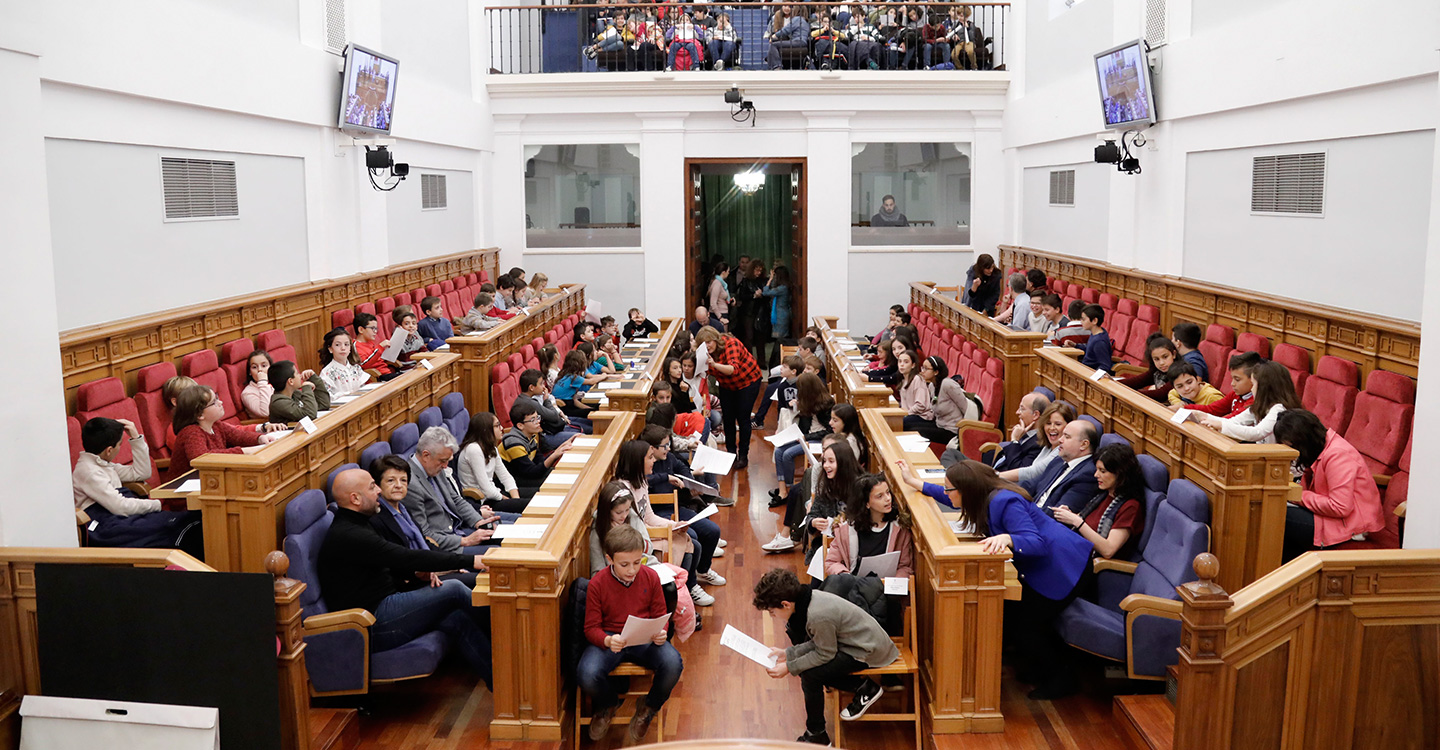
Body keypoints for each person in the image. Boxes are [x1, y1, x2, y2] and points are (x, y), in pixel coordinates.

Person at [903, 460, 1092, 699]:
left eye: (950, 489)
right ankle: (1040, 669)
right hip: (1045, 566)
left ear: (966, 489)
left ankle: (1061, 678)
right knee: (1015, 618)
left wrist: (1007, 538)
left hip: (1065, 567)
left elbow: (1036, 543)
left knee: (1026, 625)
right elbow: (947, 494)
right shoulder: (979, 495)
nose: (947, 493)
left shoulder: (1005, 501)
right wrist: (915, 482)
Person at [318, 468, 492, 687]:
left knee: (456, 618)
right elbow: (405, 557)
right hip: (371, 623)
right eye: (373, 486)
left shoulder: (360, 522)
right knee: (454, 589)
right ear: (355, 498)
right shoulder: (350, 534)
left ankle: (504, 687)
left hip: (386, 605)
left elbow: (387, 564)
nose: (379, 491)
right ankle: (509, 634)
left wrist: (416, 573)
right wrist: (470, 561)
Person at [752, 567, 899, 745]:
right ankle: (863, 689)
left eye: (771, 612)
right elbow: (820, 643)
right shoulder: (809, 600)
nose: (772, 615)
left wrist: (789, 667)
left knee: (810, 673)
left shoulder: (817, 616)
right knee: (809, 670)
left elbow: (824, 653)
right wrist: (788, 653)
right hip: (854, 645)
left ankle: (818, 732)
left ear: (785, 604)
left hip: (868, 651)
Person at [580, 524, 684, 744]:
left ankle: (648, 707)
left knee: (674, 663)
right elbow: (590, 628)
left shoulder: (650, 577)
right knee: (586, 674)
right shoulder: (597, 583)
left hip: (643, 636)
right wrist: (607, 640)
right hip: (611, 637)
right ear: (610, 560)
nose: (632, 570)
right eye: (624, 564)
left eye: (637, 563)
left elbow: (659, 615)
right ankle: (608, 705)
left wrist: (661, 633)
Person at [73, 417, 203, 557]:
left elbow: (141, 472)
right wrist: (156, 504)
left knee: (192, 518)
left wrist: (136, 438)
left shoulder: (103, 464)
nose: (119, 448)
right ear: (109, 451)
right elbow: (120, 506)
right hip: (107, 524)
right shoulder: (89, 471)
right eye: (120, 445)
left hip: (121, 514)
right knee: (175, 528)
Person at [1274, 409, 1386, 562]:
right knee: (1275, 509)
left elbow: (1340, 507)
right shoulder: (1320, 445)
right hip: (1327, 516)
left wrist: (1298, 496)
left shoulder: (1338, 455)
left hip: (1350, 527)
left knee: (1277, 514)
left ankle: (1276, 574)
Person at [640, 425, 725, 598]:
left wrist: (689, 482)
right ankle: (691, 584)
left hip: (676, 507)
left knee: (712, 531)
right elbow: (644, 479)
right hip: (657, 514)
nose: (668, 448)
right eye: (664, 446)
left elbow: (683, 468)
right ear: (652, 448)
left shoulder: (668, 457)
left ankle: (703, 570)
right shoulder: (644, 463)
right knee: (692, 537)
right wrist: (667, 477)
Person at [368, 455, 478, 589]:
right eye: (391, 481)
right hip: (412, 581)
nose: (398, 485)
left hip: (429, 569)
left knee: (482, 573)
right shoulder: (377, 518)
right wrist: (438, 569)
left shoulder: (404, 509)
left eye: (403, 480)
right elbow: (397, 563)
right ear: (378, 485)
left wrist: (450, 564)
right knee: (476, 582)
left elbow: (426, 543)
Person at [402, 427, 497, 554]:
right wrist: (466, 541)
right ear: (426, 455)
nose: (446, 466)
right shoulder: (410, 484)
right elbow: (424, 535)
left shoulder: (435, 467)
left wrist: (478, 521)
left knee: (507, 536)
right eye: (443, 461)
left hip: (458, 529)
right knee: (498, 553)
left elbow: (455, 499)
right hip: (445, 547)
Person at [1051, 443, 1148, 560]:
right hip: (1075, 550)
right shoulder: (1103, 494)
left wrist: (1077, 522)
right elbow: (1089, 523)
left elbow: (1108, 550)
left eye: (1102, 471)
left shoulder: (1131, 507)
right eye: (1097, 469)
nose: (1096, 475)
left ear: (1120, 474)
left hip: (1089, 564)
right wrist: (1070, 515)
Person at [167, 385, 284, 480]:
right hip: (185, 499)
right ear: (199, 415)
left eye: (217, 398)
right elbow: (201, 458)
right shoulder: (191, 432)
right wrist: (245, 451)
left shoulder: (216, 424)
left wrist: (259, 439)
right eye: (214, 402)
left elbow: (238, 436)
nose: (221, 402)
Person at [767, 439, 860, 554]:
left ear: (843, 463)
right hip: (830, 543)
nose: (825, 466)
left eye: (831, 461)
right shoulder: (826, 485)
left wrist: (848, 522)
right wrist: (813, 522)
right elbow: (812, 514)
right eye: (824, 461)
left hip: (855, 543)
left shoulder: (860, 487)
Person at [696, 325, 763, 469]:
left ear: (715, 339)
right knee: (728, 418)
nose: (707, 346)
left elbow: (733, 369)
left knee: (743, 417)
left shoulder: (731, 344)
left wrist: (714, 364)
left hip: (747, 381)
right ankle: (731, 453)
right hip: (727, 385)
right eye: (704, 344)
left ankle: (744, 455)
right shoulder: (703, 353)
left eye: (709, 342)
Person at [825, 473, 914, 579]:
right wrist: (846, 576)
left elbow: (905, 567)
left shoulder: (899, 529)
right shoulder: (847, 529)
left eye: (888, 493)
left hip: (884, 587)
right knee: (834, 583)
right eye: (880, 496)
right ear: (866, 503)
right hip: (854, 584)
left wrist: (893, 584)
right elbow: (832, 562)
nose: (888, 499)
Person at [1197, 360, 1300, 444]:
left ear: (1264, 388)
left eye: (1254, 385)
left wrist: (1220, 425)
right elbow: (1234, 421)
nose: (1252, 389)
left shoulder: (1278, 409)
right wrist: (1203, 416)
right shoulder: (1259, 406)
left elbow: (1257, 433)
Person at [773, 373, 834, 508]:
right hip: (804, 436)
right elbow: (803, 423)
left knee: (788, 454)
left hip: (818, 440)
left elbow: (830, 431)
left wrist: (806, 437)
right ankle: (783, 490)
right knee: (778, 451)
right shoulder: (806, 401)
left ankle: (790, 489)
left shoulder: (826, 404)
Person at [1019, 419, 1100, 513]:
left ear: (1084, 444)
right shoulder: (1059, 460)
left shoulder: (1087, 475)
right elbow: (1030, 485)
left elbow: (1057, 514)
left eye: (1067, 437)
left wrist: (1022, 510)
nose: (1060, 440)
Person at [502, 399, 576, 494]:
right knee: (559, 484)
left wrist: (561, 447)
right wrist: (554, 455)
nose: (538, 422)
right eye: (533, 420)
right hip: (516, 482)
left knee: (566, 475)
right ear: (520, 426)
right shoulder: (514, 443)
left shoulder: (531, 435)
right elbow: (532, 472)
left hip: (529, 475)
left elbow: (540, 462)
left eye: (538, 418)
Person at [458, 412, 524, 511]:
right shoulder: (473, 449)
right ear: (485, 430)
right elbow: (486, 489)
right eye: (497, 426)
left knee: (536, 494)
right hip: (483, 501)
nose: (501, 428)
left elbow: (505, 476)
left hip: (495, 493)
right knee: (530, 504)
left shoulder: (491, 447)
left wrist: (516, 499)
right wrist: (505, 499)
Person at [998, 401, 1077, 484]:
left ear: (1068, 426)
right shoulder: (1047, 446)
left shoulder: (1061, 451)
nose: (1052, 428)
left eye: (1058, 424)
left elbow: (1032, 472)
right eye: (1048, 423)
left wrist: (995, 476)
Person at [588, 480, 653, 575]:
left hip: (642, 569)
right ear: (607, 511)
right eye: (618, 512)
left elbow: (649, 549)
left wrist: (630, 535)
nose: (624, 515)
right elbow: (597, 571)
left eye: (627, 510)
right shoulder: (597, 533)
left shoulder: (633, 517)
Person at [1182, 351, 1263, 418]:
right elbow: (1212, 409)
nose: (1232, 384)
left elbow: (1233, 421)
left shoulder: (1256, 402)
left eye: (1237, 380)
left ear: (1253, 379)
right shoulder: (1235, 394)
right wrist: (1183, 408)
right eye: (1232, 379)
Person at [519, 368, 582, 451]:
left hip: (548, 431)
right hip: (543, 438)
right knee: (580, 438)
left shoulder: (524, 399)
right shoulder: (530, 403)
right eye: (541, 384)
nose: (543, 387)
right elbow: (554, 416)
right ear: (531, 387)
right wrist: (546, 400)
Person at [986, 391, 1051, 471]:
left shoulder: (1039, 443)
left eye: (1022, 409)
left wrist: (1015, 440)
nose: (1017, 412)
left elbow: (1018, 470)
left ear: (1035, 415)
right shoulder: (1025, 433)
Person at [1116, 334, 1178, 403]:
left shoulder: (1179, 372)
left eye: (1165, 357)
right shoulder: (1156, 371)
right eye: (1156, 359)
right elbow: (1137, 381)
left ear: (1174, 354)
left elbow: (1161, 394)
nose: (1161, 363)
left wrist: (1131, 394)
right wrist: (1113, 383)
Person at [267, 360, 332, 422]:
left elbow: (323, 404)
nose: (300, 375)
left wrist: (313, 378)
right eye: (297, 373)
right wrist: (307, 388)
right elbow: (310, 414)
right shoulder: (279, 403)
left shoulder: (295, 394)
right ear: (291, 381)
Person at [319, 327, 372, 398]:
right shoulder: (327, 372)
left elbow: (363, 387)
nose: (343, 348)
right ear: (330, 349)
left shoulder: (356, 367)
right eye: (338, 345)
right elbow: (329, 398)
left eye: (346, 344)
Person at [757, 265, 793, 368]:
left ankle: (777, 360)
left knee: (780, 339)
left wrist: (770, 279)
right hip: (779, 314)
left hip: (781, 316)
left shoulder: (783, 288)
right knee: (779, 339)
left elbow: (766, 292)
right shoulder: (783, 286)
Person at [753, 354, 802, 429]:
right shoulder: (781, 386)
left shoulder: (802, 385)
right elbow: (781, 406)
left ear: (793, 371)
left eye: (784, 367)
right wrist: (780, 422)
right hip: (787, 415)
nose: (781, 369)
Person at [897, 351, 936, 435]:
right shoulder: (903, 380)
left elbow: (920, 405)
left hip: (922, 416)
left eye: (906, 362)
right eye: (900, 361)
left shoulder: (917, 379)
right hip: (910, 414)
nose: (902, 364)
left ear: (913, 365)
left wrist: (906, 414)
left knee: (899, 424)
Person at [353, 312, 400, 380]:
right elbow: (364, 365)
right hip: (378, 377)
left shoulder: (370, 342)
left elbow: (378, 359)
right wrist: (380, 347)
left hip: (387, 373)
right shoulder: (356, 346)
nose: (375, 331)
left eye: (376, 328)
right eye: (372, 328)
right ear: (361, 330)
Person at [765, 4, 811, 69]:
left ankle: (777, 66)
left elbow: (786, 30)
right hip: (803, 43)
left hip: (797, 41)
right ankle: (771, 59)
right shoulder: (805, 21)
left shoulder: (797, 19)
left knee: (773, 45)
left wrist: (774, 36)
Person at [1073, 304, 1113, 373]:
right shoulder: (1095, 334)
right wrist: (1075, 345)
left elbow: (1105, 365)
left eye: (1083, 319)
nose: (1081, 322)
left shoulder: (1099, 341)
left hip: (1088, 373)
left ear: (1094, 321)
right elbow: (1090, 350)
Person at [239, 350, 275, 419]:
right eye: (254, 367)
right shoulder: (247, 393)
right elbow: (266, 412)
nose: (260, 370)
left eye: (264, 366)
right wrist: (262, 382)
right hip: (268, 426)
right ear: (249, 372)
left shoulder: (275, 382)